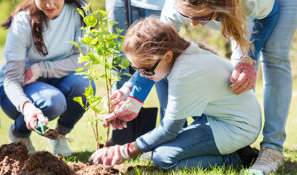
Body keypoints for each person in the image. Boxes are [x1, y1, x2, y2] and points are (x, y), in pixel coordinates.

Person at [105, 0, 297, 173]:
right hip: (227, 11)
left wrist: (249, 60)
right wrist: (134, 96)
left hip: (271, 6)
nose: (193, 24)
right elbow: (158, 55)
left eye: (200, 17)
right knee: (171, 70)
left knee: (273, 56)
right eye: (187, 17)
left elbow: (269, 14)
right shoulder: (175, 7)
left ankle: (272, 147)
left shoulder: (250, 3)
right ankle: (201, 142)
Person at [89, 17, 262, 169]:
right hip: (217, 117)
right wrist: (132, 103)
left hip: (236, 127)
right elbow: (169, 128)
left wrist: (125, 151)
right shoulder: (179, 56)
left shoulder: (185, 73)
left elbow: (170, 130)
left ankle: (236, 158)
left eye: (146, 70)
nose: (142, 75)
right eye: (136, 69)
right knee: (157, 147)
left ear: (168, 56)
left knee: (162, 158)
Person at [0, 0, 94, 155]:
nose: (49, 4)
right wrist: (27, 107)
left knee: (84, 85)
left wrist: (41, 69)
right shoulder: (23, 21)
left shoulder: (79, 11)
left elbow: (83, 60)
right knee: (53, 102)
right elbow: (12, 80)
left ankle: (59, 136)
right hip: (17, 87)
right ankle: (19, 134)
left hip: (54, 78)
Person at [105, 0, 165, 145]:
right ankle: (121, 133)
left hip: (157, 4)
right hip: (120, 2)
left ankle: (169, 129)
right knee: (120, 59)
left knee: (161, 59)